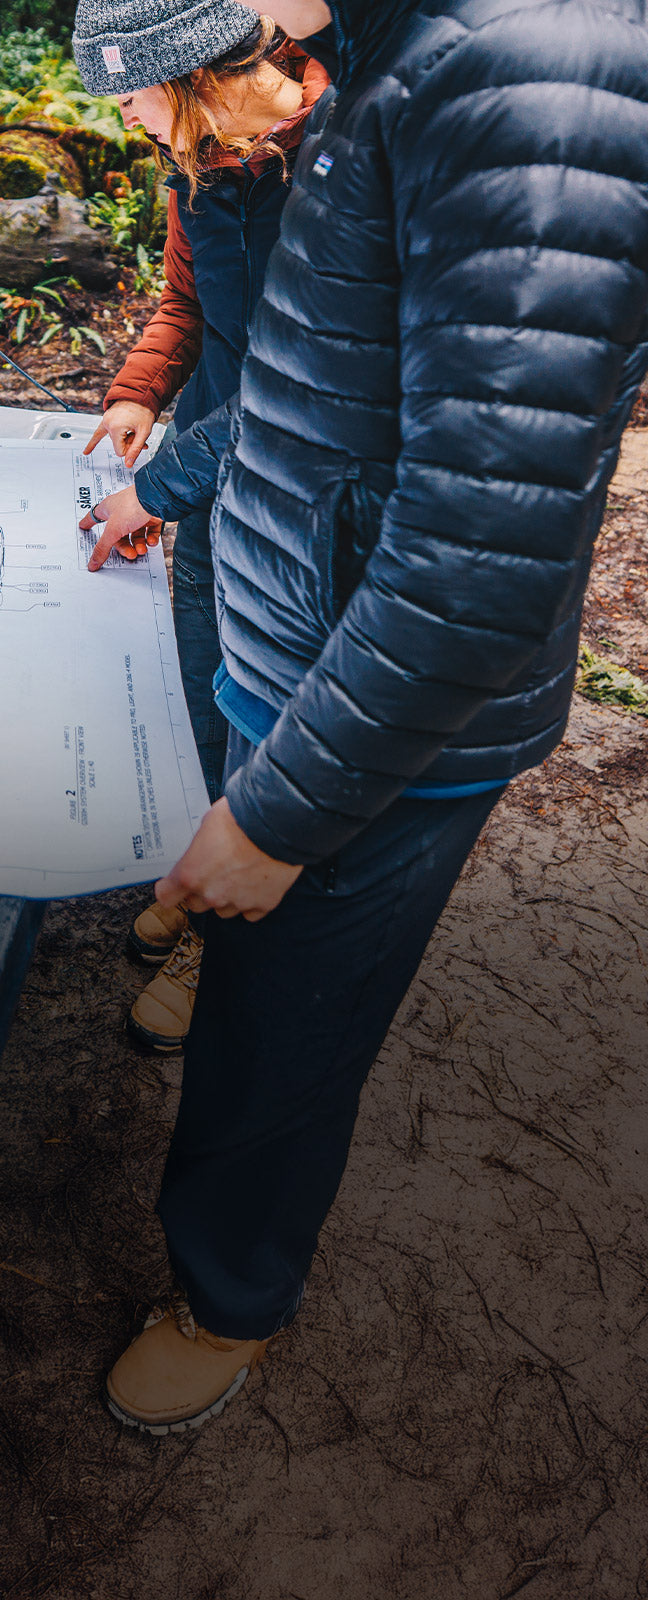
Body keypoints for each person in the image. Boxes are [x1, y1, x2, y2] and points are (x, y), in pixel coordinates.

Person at [79, 0, 648, 1434]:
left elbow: (477, 549)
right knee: (255, 976)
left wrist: (279, 810)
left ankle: (231, 1297)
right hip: (297, 635)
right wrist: (177, 480)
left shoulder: (535, 69)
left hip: (370, 711)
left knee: (285, 1037)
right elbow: (305, 377)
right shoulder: (396, 46)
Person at [73, 0, 329, 1055]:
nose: (124, 116)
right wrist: (140, 390)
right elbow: (189, 304)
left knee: (264, 709)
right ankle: (198, 870)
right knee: (198, 679)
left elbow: (291, 383)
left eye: (128, 91)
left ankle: (226, 944)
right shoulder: (197, 161)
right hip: (213, 478)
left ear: (183, 78)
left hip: (303, 500)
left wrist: (155, 489)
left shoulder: (324, 174)